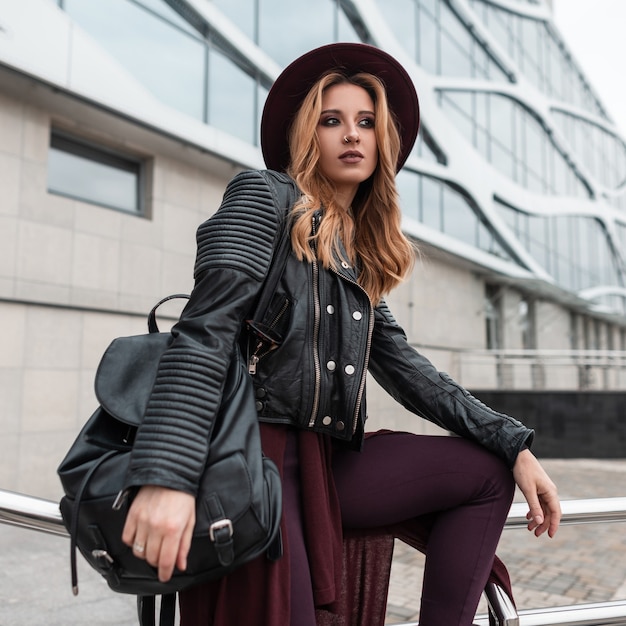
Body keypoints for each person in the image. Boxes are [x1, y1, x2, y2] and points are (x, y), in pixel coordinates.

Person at [121, 43, 561, 626]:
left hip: (324, 462)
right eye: (332, 121)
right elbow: (205, 332)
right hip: (255, 462)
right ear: (309, 136)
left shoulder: (353, 252)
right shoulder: (264, 197)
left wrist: (514, 443)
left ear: (383, 143)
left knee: (483, 474)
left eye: (366, 122)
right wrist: (167, 477)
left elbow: (407, 369)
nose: (351, 135)